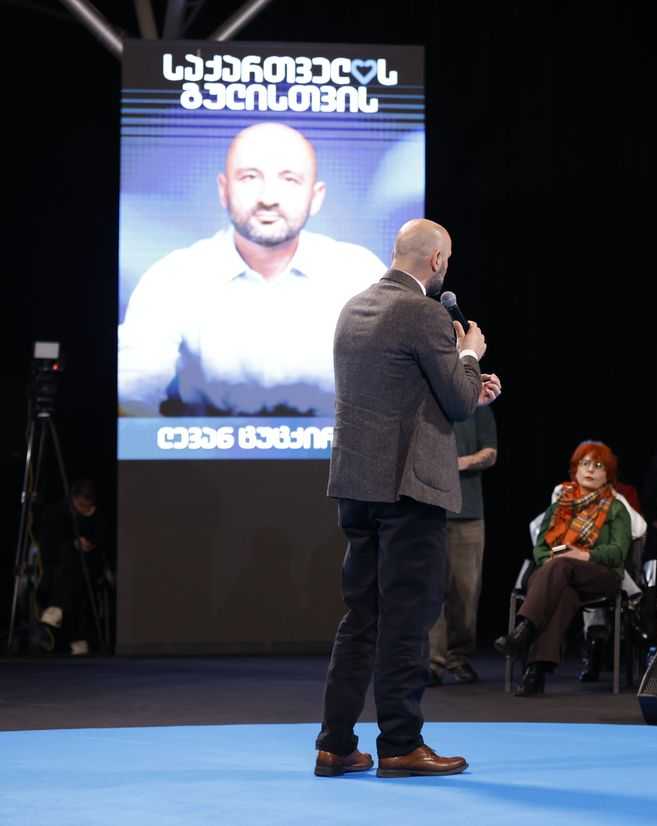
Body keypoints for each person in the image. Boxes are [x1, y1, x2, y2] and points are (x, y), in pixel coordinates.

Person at [314, 219, 501, 779]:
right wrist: (470, 353)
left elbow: (409, 389)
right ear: (438, 260)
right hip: (409, 487)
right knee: (407, 618)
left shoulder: (354, 306)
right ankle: (400, 743)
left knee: (361, 617)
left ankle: (335, 744)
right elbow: (460, 400)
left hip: (357, 486)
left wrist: (468, 379)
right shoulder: (426, 313)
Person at [119, 122, 387, 417]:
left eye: (289, 179)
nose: (268, 198)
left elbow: (397, 389)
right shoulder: (172, 278)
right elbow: (132, 399)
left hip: (339, 462)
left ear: (317, 196)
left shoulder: (361, 275)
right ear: (223, 190)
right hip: (204, 462)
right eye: (249, 177)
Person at [493, 441, 633, 696]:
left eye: (598, 465)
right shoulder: (560, 504)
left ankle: (524, 629)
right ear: (575, 469)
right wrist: (547, 559)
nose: (590, 470)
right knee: (563, 592)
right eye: (585, 463)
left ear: (608, 474)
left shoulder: (616, 507)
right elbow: (540, 545)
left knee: (561, 567)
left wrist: (585, 554)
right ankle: (535, 672)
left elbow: (618, 552)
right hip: (556, 577)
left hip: (600, 574)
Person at [428, 406, 498, 686]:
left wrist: (459, 462)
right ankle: (432, 662)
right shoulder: (424, 405)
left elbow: (491, 452)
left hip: (467, 514)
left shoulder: (478, 409)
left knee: (466, 591)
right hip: (427, 513)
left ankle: (458, 657)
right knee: (431, 591)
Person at [37, 479, 110, 656]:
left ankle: (60, 613)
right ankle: (61, 618)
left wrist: (90, 542)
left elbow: (104, 541)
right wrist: (74, 543)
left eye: (87, 506)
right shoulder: (58, 513)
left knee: (78, 576)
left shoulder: (98, 517)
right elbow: (50, 541)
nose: (82, 509)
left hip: (90, 566)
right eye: (79, 505)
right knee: (69, 562)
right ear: (73, 500)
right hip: (61, 567)